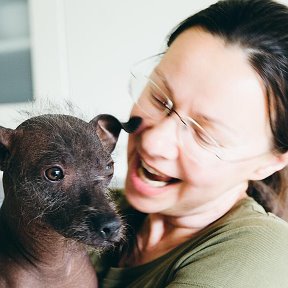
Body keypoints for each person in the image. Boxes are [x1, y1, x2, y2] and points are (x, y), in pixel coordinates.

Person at [91, 0, 288, 287]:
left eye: (204, 133)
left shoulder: (260, 253)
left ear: (267, 163)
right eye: (159, 98)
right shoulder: (99, 210)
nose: (154, 141)